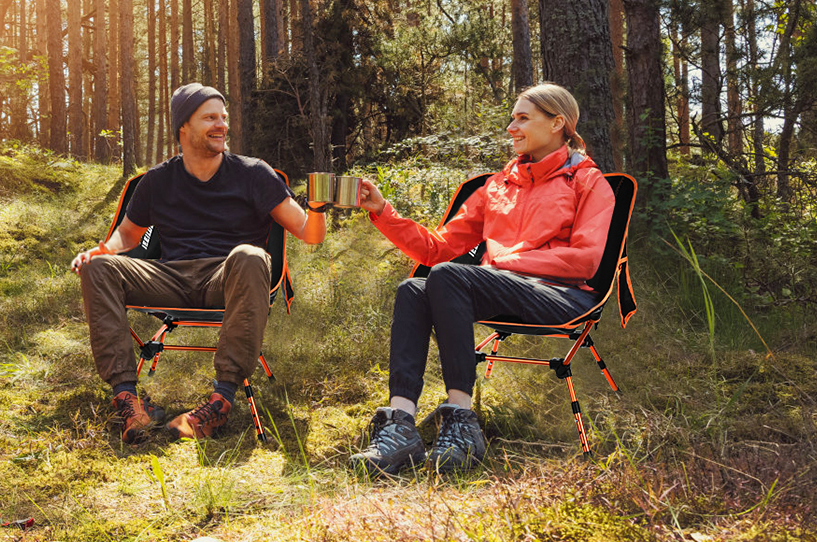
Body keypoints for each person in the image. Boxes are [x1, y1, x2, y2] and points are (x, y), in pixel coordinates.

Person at [348, 82, 615, 474]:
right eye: (512, 118)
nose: (511, 127)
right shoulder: (497, 186)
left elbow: (586, 261)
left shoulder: (589, 182)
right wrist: (383, 210)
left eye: (523, 118)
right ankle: (401, 425)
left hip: (563, 295)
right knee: (413, 289)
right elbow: (436, 249)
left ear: (558, 122)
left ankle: (461, 421)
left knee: (450, 277)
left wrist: (504, 262)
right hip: (501, 287)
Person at [71, 83, 327, 443]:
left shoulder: (253, 173)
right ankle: (128, 401)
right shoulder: (158, 180)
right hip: (171, 277)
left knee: (251, 255)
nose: (221, 125)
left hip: (228, 277)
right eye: (210, 118)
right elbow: (128, 236)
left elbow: (308, 233)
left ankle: (221, 402)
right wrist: (101, 250)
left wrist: (316, 208)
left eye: (223, 117)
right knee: (99, 268)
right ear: (184, 128)